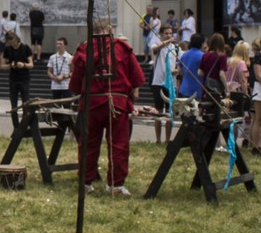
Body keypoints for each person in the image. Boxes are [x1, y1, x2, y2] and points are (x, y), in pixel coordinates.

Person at [69, 18, 146, 195]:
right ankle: (116, 185)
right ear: (110, 29)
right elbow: (137, 78)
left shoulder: (84, 49)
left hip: (92, 104)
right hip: (117, 102)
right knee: (119, 144)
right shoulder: (122, 47)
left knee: (88, 143)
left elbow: (75, 84)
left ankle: (86, 183)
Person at [150, 24, 180, 142]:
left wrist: (175, 71)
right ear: (161, 35)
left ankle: (167, 139)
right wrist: (167, 41)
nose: (169, 35)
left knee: (169, 112)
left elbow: (180, 66)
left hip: (170, 83)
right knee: (158, 112)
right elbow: (155, 49)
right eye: (166, 33)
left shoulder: (176, 48)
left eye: (170, 33)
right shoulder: (157, 46)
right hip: (158, 83)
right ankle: (158, 139)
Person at [0, 29, 33, 127]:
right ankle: (16, 127)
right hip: (13, 79)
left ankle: (25, 125)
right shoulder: (8, 49)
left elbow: (31, 64)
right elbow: (2, 65)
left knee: (26, 104)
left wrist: (24, 65)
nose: (12, 45)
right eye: (10, 43)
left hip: (24, 79)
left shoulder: (25, 48)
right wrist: (10, 65)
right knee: (13, 105)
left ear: (16, 39)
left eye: (13, 43)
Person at [198, 32, 229, 100]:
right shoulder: (222, 56)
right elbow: (221, 74)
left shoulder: (205, 55)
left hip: (206, 88)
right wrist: (227, 89)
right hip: (217, 89)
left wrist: (208, 75)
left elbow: (199, 72)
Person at [177, 33, 206, 100]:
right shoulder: (203, 56)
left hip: (184, 89)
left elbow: (180, 71)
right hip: (197, 90)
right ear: (201, 43)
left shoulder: (184, 54)